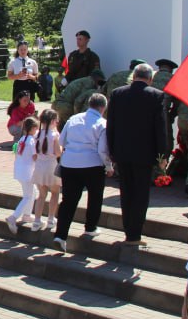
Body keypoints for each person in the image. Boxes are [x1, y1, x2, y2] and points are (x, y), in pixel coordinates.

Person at [107, 63, 170, 247]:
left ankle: (129, 232)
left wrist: (112, 151)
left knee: (126, 192)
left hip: (122, 152)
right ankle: (135, 234)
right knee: (141, 194)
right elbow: (161, 128)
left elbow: (111, 124)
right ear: (150, 79)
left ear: (133, 76)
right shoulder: (156, 95)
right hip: (145, 154)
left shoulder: (118, 94)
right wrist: (162, 156)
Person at [52, 93, 111, 255]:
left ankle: (60, 235)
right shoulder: (102, 124)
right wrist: (108, 166)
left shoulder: (73, 119)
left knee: (68, 200)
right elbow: (102, 150)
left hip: (70, 164)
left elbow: (61, 141)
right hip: (92, 165)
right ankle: (90, 227)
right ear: (103, 107)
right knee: (95, 196)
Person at [29, 109, 63, 233]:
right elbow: (58, 152)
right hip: (51, 166)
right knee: (55, 193)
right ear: (53, 121)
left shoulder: (36, 133)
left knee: (41, 195)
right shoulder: (54, 135)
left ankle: (37, 221)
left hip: (39, 166)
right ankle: (51, 218)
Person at [6, 117, 40, 235]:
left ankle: (27, 215)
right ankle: (13, 217)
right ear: (33, 128)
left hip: (20, 171)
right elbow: (35, 156)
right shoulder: (31, 141)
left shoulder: (22, 139)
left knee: (33, 192)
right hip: (27, 173)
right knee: (28, 196)